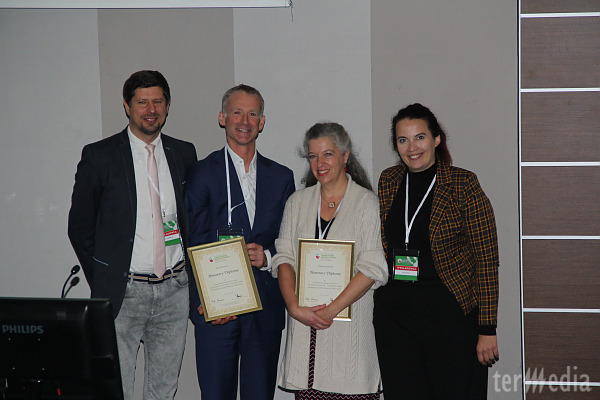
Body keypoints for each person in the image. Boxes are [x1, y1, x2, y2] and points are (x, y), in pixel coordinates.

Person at [68, 70, 197, 399]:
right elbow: (80, 227)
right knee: (116, 389)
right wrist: (107, 276)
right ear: (127, 106)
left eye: (158, 102)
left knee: (163, 390)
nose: (151, 110)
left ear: (168, 106)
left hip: (174, 290)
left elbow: (190, 220)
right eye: (142, 102)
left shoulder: (184, 153)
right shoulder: (100, 156)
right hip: (124, 294)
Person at [374, 103, 499, 399]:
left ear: (436, 139)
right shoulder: (388, 181)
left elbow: (486, 259)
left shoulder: (463, 183)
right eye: (403, 140)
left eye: (420, 137)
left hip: (449, 316)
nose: (411, 148)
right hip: (396, 319)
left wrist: (487, 328)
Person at [185, 84, 295, 400]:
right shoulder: (201, 173)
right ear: (222, 118)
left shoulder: (281, 177)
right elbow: (191, 241)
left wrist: (268, 256)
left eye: (252, 114)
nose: (244, 121)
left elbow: (290, 239)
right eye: (236, 112)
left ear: (262, 122)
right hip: (217, 309)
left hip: (265, 308)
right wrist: (203, 301)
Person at [272, 122, 388, 399]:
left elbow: (372, 268)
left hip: (349, 346)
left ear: (345, 155)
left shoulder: (366, 203)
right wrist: (293, 307)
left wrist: (330, 310)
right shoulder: (297, 202)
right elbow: (284, 257)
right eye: (313, 156)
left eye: (328, 154)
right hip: (305, 342)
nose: (319, 164)